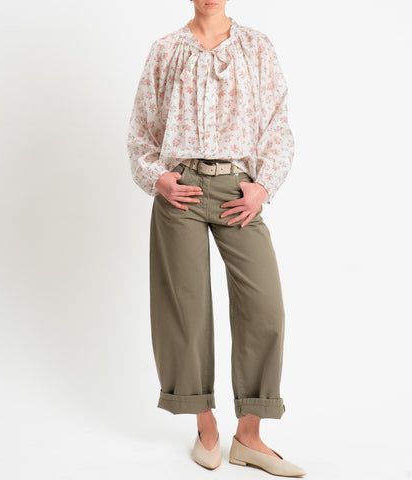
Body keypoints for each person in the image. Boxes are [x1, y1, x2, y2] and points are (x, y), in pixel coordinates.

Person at [127, 1, 306, 476]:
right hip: (180, 189)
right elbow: (142, 129)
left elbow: (276, 124)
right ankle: (205, 425)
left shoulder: (256, 47)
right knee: (184, 310)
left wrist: (263, 186)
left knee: (265, 307)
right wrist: (157, 177)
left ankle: (249, 436)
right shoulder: (166, 50)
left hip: (238, 190)